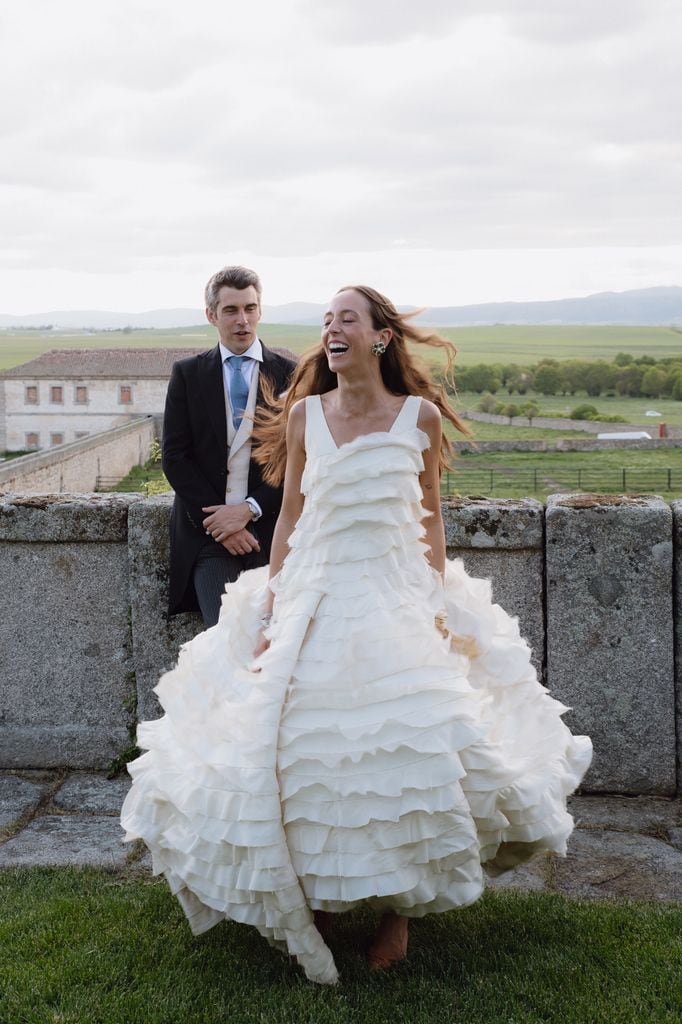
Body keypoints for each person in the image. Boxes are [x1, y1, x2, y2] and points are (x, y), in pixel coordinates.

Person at [122, 285, 592, 985]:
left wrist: (435, 602)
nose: (332, 330)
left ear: (379, 337)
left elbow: (429, 519)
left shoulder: (420, 418)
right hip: (317, 585)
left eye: (348, 320)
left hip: (393, 588)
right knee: (308, 750)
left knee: (407, 754)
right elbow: (289, 519)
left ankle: (399, 909)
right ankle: (325, 893)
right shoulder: (305, 414)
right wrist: (276, 598)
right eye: (326, 322)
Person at [161, 265, 296, 625]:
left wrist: (249, 510)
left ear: (260, 311)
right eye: (231, 310)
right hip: (208, 537)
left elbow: (299, 458)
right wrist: (223, 521)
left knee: (276, 640)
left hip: (273, 533)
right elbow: (175, 457)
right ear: (211, 315)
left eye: (250, 309)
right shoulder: (187, 374)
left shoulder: (292, 374)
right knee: (226, 639)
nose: (242, 321)